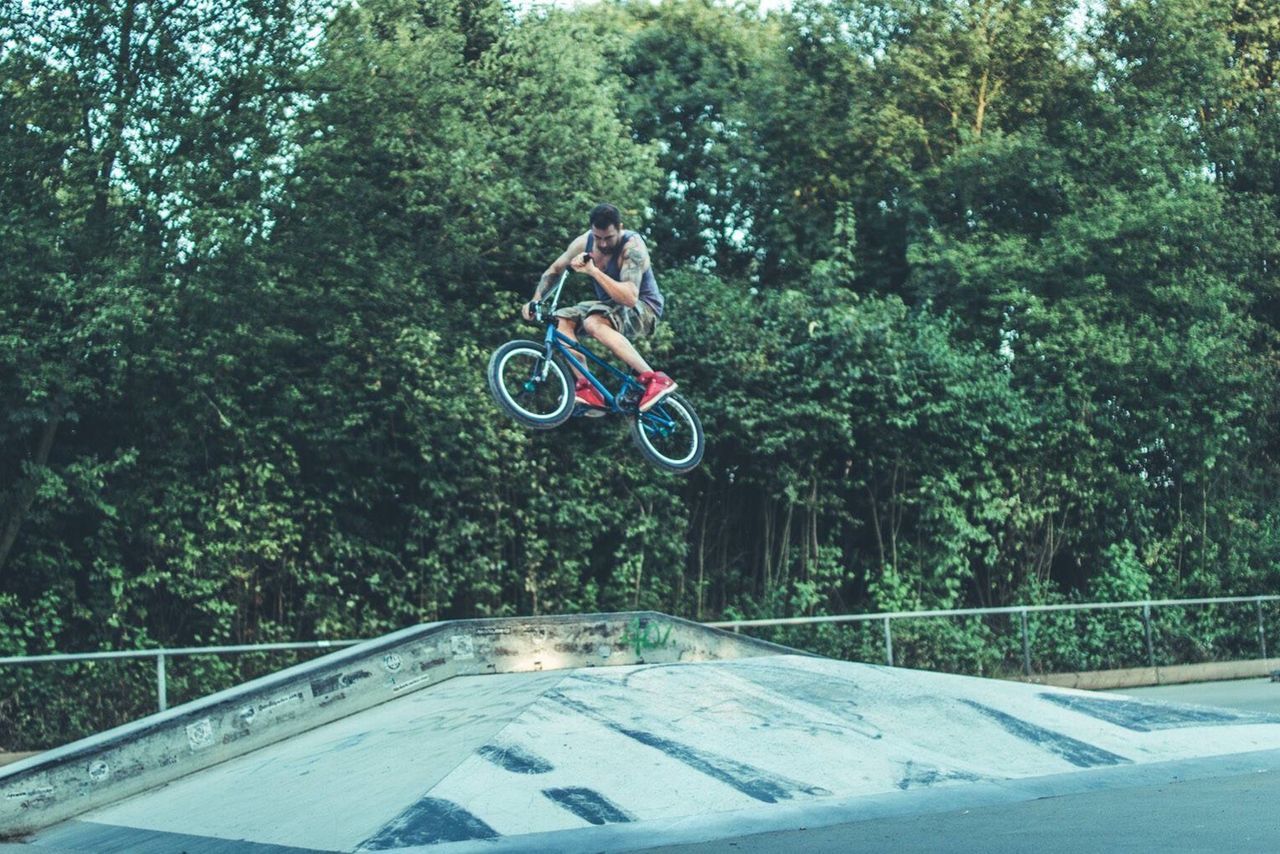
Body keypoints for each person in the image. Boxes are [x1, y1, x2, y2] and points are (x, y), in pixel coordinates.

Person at [522, 203, 677, 415]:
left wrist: (593, 272)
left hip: (644, 309)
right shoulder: (585, 242)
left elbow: (630, 298)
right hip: (608, 307)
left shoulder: (632, 247)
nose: (603, 244)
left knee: (593, 321)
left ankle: (654, 379)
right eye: (598, 238)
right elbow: (555, 269)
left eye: (609, 238)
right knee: (558, 321)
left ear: (619, 228)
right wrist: (536, 300)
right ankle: (588, 388)